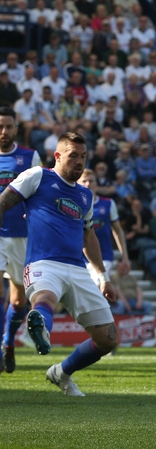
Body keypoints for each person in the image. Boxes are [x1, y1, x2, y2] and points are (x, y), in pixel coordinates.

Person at [0, 132, 119, 396]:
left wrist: (102, 276)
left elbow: (89, 236)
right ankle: (41, 327)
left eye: (83, 157)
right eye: (73, 155)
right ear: (57, 155)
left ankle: (61, 373)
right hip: (43, 262)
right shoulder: (38, 176)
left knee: (108, 339)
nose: (79, 161)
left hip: (77, 269)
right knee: (45, 296)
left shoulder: (86, 196)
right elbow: (3, 202)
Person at [0, 108, 40, 374]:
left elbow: (40, 192)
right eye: (0, 126)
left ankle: (7, 343)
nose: (3, 132)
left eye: (8, 127)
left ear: (16, 129)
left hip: (21, 237)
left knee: (18, 303)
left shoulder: (29, 157)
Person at [77, 169, 130, 287]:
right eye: (84, 181)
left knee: (97, 287)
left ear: (97, 183)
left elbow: (118, 231)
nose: (88, 184)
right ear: (77, 183)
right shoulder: (72, 205)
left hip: (103, 257)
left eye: (91, 181)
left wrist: (124, 256)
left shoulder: (108, 204)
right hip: (78, 258)